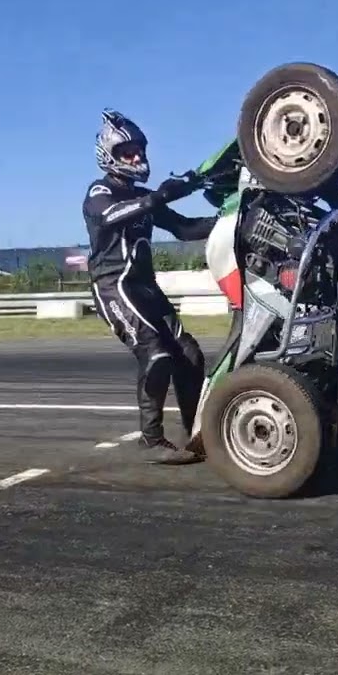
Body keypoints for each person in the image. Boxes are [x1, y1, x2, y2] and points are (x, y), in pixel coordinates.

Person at [82, 109, 217, 465]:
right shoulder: (100, 191)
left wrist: (229, 221)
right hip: (115, 288)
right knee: (155, 354)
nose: (138, 157)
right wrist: (161, 196)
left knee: (189, 354)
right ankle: (151, 439)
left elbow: (186, 229)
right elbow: (112, 215)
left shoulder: (142, 196)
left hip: (147, 289)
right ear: (110, 156)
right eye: (129, 152)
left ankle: (197, 433)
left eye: (140, 150)